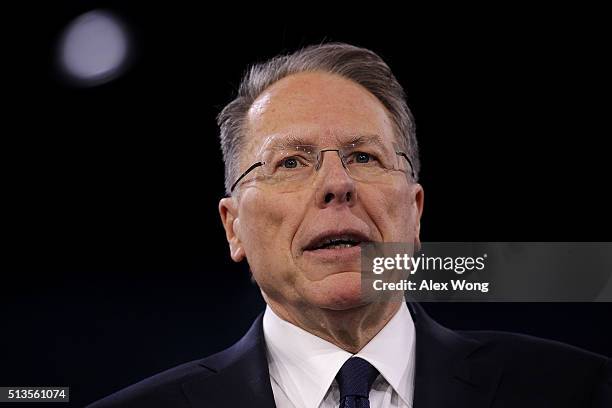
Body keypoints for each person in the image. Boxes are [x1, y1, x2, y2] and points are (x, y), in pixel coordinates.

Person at [88, 43, 610, 408]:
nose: (337, 184)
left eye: (364, 156)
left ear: (416, 212)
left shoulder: (583, 390)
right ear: (234, 228)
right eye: (291, 162)